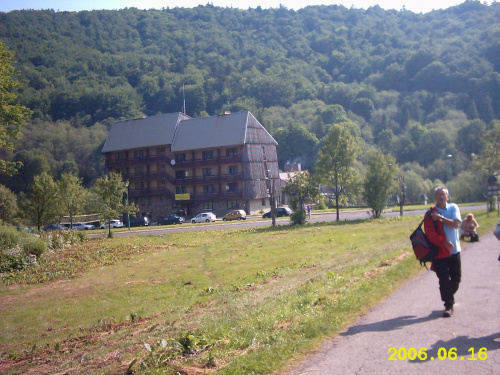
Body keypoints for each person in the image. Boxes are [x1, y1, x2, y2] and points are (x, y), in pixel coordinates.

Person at [424, 186, 462, 318]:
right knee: (444, 280)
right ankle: (448, 305)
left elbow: (456, 224)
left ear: (448, 197)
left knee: (456, 279)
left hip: (454, 251)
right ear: (435, 197)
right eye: (438, 194)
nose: (441, 197)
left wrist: (440, 218)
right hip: (439, 253)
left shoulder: (453, 208)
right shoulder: (430, 214)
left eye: (443, 194)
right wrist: (444, 242)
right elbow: (430, 234)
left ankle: (448, 296)